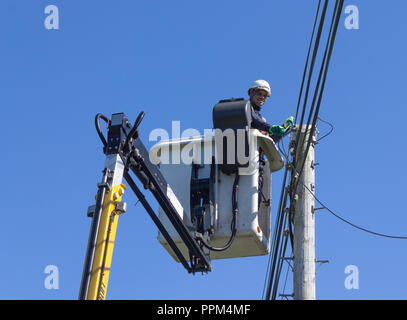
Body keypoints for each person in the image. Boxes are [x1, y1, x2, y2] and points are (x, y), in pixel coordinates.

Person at [247, 79, 293, 208]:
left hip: (257, 162)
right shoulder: (245, 109)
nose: (262, 97)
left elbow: (269, 140)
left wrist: (284, 129)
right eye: (259, 93)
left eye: (265, 95)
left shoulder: (261, 118)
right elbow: (255, 121)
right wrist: (271, 127)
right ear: (251, 93)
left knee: (256, 199)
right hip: (243, 158)